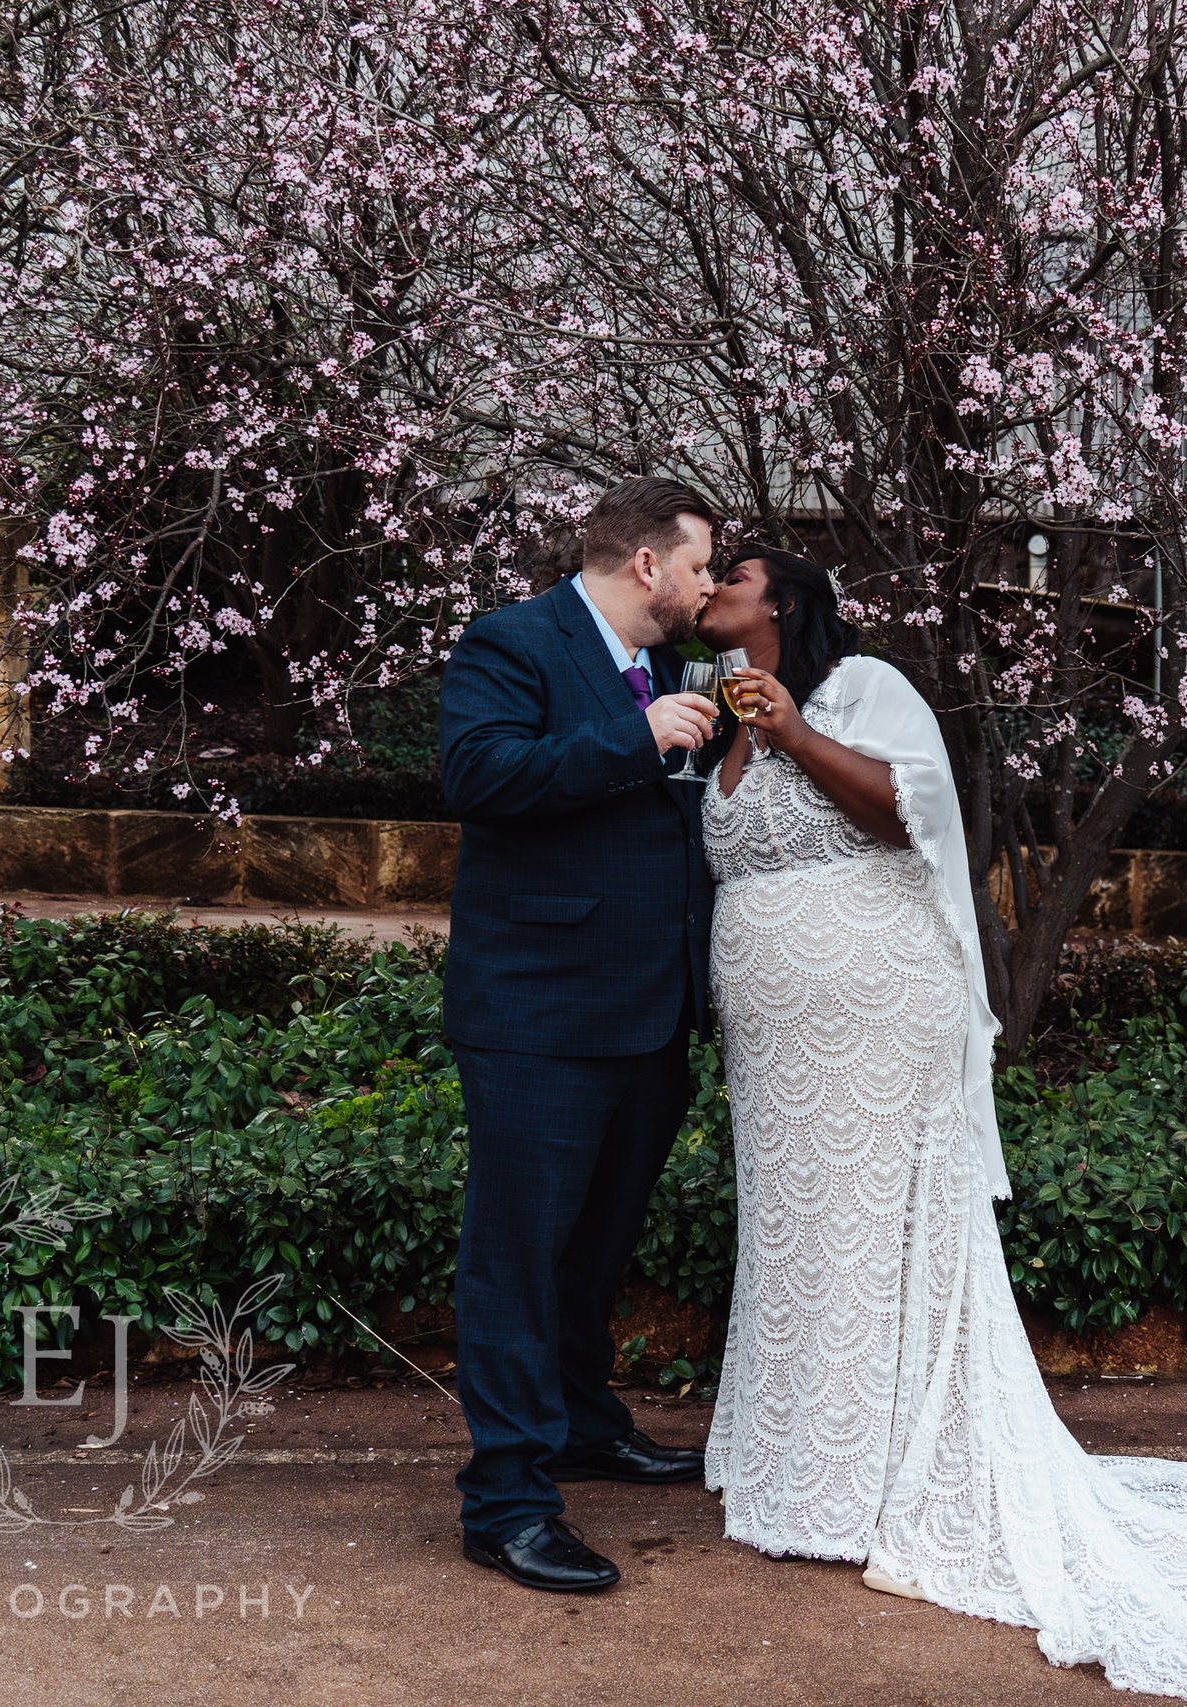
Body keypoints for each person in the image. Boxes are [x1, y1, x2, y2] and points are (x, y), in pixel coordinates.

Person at [694, 545, 1187, 1698]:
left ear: (786, 604)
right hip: (777, 1039)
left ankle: (872, 1484)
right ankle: (796, 1466)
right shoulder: (716, 718)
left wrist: (798, 731)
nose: (710, 590)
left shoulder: (861, 685)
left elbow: (912, 817)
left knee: (868, 1233)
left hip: (878, 1012)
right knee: (800, 1240)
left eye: (733, 576)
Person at [437, 476, 723, 1594]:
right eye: (699, 564)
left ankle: (584, 1424)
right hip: (539, 1014)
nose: (706, 585)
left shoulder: (667, 663)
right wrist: (632, 735)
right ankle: (506, 1501)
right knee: (516, 1257)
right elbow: (475, 774)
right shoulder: (510, 642)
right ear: (647, 563)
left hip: (649, 1014)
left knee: (596, 1247)